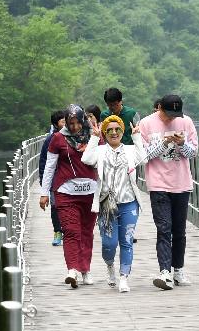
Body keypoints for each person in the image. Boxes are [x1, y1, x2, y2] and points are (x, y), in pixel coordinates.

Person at [140, 94, 199, 290]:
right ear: (159, 109)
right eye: (168, 114)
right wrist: (164, 143)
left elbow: (194, 153)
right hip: (158, 184)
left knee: (179, 230)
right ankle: (164, 271)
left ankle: (178, 270)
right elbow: (145, 156)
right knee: (164, 227)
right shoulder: (146, 124)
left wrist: (182, 144)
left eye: (176, 114)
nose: (172, 119)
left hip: (181, 182)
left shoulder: (186, 122)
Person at [82, 115, 146, 293]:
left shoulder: (131, 150)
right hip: (106, 205)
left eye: (117, 129)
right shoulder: (100, 151)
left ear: (122, 130)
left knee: (126, 241)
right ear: (105, 133)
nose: (114, 132)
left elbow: (145, 158)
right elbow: (86, 159)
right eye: (109, 130)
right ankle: (110, 265)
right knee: (109, 244)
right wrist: (94, 137)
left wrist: (137, 136)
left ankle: (124, 277)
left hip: (129, 202)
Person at [39, 105, 99, 288]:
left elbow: (104, 160)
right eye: (69, 123)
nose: (73, 127)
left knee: (87, 232)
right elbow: (49, 167)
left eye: (76, 123)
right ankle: (72, 269)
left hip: (90, 191)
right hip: (65, 192)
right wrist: (44, 193)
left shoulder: (94, 136)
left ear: (83, 121)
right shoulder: (58, 138)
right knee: (71, 231)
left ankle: (85, 269)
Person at [39, 110, 66, 246]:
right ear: (56, 124)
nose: (66, 123)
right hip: (54, 180)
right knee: (55, 206)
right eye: (63, 121)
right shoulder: (50, 140)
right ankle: (57, 231)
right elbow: (44, 162)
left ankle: (68, 232)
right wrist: (43, 184)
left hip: (68, 179)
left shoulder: (74, 137)